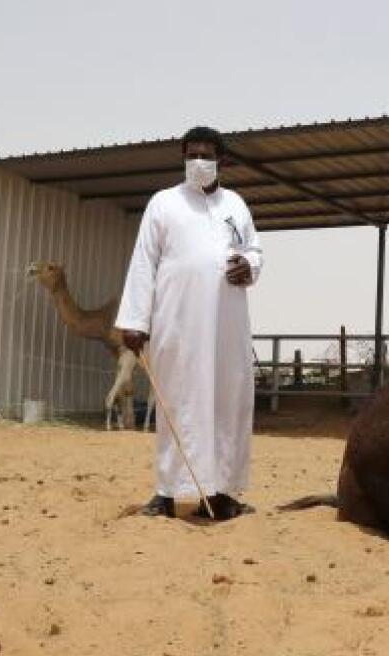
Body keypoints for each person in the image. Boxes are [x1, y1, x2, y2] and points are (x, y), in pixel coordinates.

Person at [115, 126, 263, 521]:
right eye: (191, 154)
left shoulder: (237, 205)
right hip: (177, 325)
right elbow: (144, 261)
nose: (199, 161)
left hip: (227, 327)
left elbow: (255, 251)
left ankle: (222, 494)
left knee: (228, 405)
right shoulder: (163, 204)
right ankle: (166, 493)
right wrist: (135, 320)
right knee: (177, 404)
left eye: (207, 154)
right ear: (183, 158)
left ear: (222, 160)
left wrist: (250, 265)